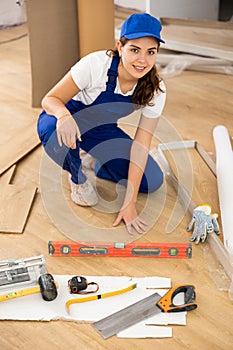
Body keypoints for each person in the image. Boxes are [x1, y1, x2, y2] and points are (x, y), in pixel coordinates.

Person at [37, 13, 166, 235]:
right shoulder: (95, 65)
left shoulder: (156, 89)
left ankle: (94, 160)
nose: (142, 60)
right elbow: (50, 99)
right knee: (51, 131)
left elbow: (141, 144)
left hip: (103, 131)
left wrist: (129, 202)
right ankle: (76, 177)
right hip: (68, 119)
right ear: (120, 46)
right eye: (134, 49)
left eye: (150, 52)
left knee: (151, 181)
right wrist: (64, 117)